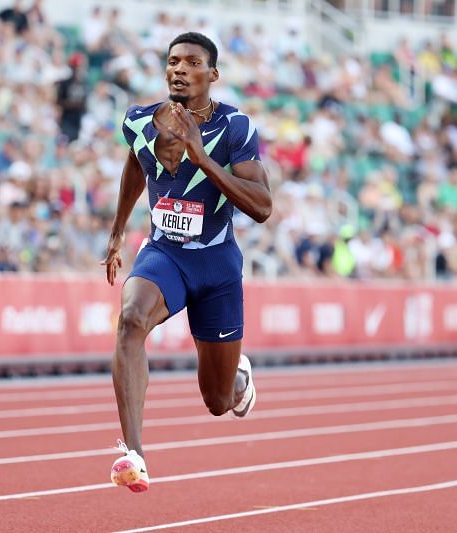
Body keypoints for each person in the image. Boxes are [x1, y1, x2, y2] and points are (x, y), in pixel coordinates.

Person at [100, 32, 272, 493]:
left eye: (191, 62)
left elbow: (262, 206)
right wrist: (118, 231)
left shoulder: (235, 128)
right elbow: (137, 165)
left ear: (212, 74)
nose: (179, 68)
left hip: (216, 267)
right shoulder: (138, 121)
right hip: (164, 254)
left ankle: (238, 376)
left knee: (218, 402)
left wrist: (202, 157)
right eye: (173, 61)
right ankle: (133, 454)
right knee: (131, 319)